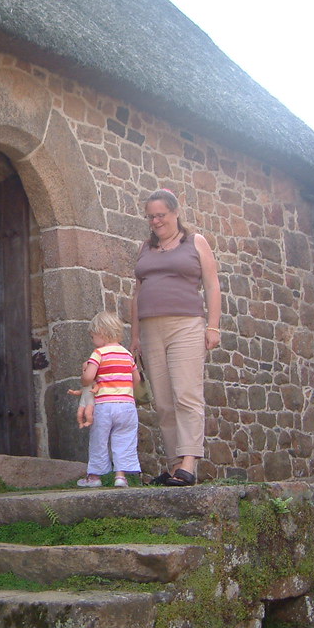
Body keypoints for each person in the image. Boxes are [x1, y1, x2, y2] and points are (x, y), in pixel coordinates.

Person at [130, 189, 221, 486]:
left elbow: (212, 284)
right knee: (164, 401)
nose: (156, 221)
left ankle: (190, 463)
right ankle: (173, 465)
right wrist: (134, 336)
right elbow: (138, 292)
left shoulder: (195, 242)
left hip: (186, 325)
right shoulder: (145, 247)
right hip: (150, 329)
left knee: (186, 393)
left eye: (161, 215)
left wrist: (213, 326)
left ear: (175, 213)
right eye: (151, 216)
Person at [75, 311, 142, 488]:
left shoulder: (98, 353)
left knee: (99, 439)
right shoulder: (127, 355)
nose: (92, 340)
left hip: (104, 405)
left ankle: (95, 477)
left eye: (92, 336)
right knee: (124, 439)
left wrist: (84, 376)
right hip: (127, 406)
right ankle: (120, 476)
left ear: (101, 332)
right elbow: (137, 380)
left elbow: (89, 378)